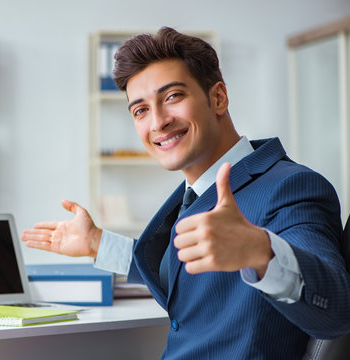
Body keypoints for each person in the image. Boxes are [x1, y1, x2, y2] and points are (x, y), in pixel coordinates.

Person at [21, 27, 350, 359]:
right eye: (141, 110)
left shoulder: (290, 187)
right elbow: (188, 276)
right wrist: (98, 243)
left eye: (173, 96)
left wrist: (261, 252)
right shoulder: (198, 192)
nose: (158, 122)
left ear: (218, 98)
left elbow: (336, 306)